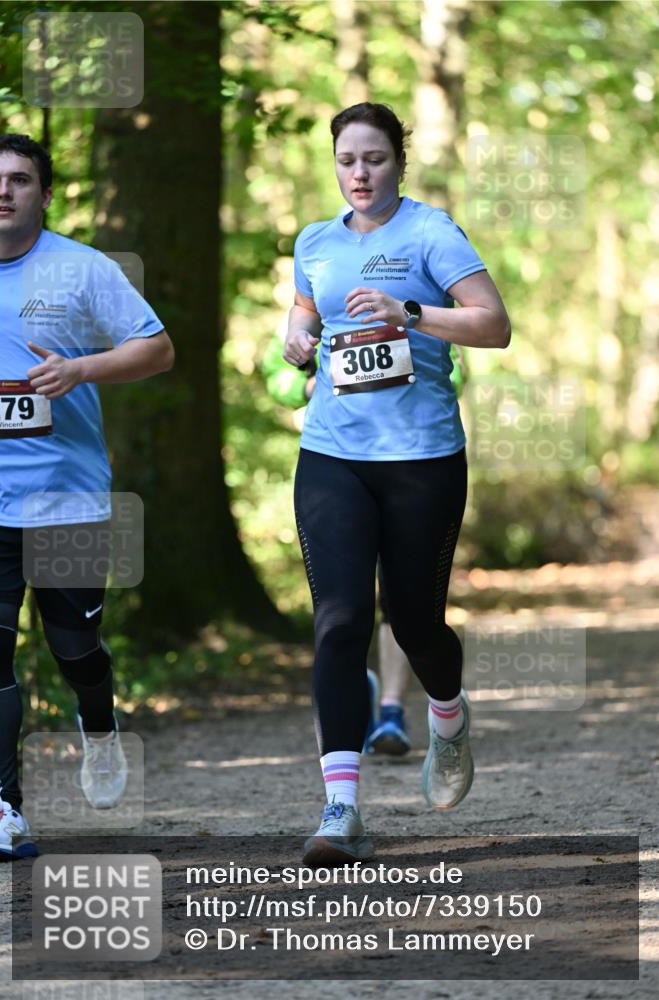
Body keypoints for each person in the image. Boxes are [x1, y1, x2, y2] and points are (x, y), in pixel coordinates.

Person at [283, 103, 511, 866]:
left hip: (421, 457)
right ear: (333, 163)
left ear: (397, 163)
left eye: (374, 159)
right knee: (340, 621)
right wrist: (296, 338)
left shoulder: (430, 232)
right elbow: (304, 311)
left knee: (415, 624)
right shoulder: (313, 241)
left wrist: (409, 310)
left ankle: (447, 718)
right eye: (347, 159)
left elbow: (492, 323)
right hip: (332, 454)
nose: (358, 173)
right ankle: (340, 808)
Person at [0, 134, 174, 859]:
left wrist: (81, 370)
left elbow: (156, 348)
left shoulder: (80, 268)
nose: (2, 190)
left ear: (44, 191)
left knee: (73, 647)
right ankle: (4, 806)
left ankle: (98, 725)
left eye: (19, 179)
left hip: (66, 497)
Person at [264, 328, 469, 757]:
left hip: (412, 467)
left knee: (401, 608)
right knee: (342, 613)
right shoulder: (317, 303)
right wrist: (313, 380)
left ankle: (392, 707)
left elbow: (457, 375)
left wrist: (405, 373)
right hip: (338, 469)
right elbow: (276, 378)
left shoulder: (416, 302)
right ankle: (364, 708)